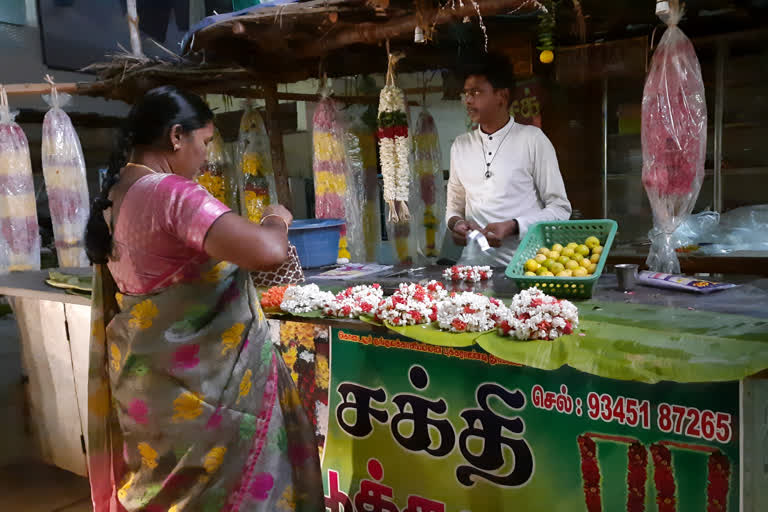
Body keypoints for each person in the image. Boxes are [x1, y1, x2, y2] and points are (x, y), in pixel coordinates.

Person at [84, 86, 324, 511]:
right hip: (205, 404)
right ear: (177, 137)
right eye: (205, 142)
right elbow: (265, 251)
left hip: (150, 394)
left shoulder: (119, 190)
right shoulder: (169, 194)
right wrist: (275, 219)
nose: (206, 157)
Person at [446, 56, 572, 266]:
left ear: (501, 96)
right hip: (472, 267)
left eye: (476, 93)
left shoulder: (533, 140)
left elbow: (560, 209)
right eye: (466, 93)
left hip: (526, 268)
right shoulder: (460, 145)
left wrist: (514, 226)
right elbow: (454, 206)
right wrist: (456, 224)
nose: (468, 100)